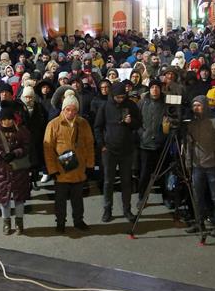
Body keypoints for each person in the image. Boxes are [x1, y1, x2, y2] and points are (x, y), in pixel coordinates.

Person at [43, 91, 95, 233]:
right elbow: (48, 149)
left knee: (78, 199)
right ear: (63, 109)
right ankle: (60, 222)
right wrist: (51, 169)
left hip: (79, 168)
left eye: (74, 110)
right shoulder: (53, 124)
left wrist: (90, 164)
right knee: (60, 200)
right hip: (61, 170)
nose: (71, 113)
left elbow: (89, 145)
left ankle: (78, 220)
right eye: (68, 109)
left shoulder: (83, 123)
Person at [94, 81, 142, 223]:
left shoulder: (131, 105)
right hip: (109, 150)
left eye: (122, 97)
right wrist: (101, 145)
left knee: (126, 182)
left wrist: (131, 121)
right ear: (112, 95)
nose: (120, 100)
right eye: (118, 97)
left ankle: (127, 210)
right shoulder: (105, 106)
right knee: (108, 181)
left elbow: (139, 123)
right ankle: (107, 209)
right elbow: (97, 127)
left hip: (126, 150)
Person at [186, 90, 215, 237]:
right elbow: (189, 145)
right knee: (197, 196)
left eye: (199, 105)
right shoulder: (192, 123)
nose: (196, 108)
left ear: (205, 105)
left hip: (212, 166)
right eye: (194, 106)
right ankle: (199, 222)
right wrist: (188, 162)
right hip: (197, 166)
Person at [0, 106, 31, 235]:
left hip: (18, 170)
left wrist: (16, 153)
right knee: (3, 198)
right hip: (2, 170)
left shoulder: (21, 131)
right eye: (4, 119)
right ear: (0, 120)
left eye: (10, 119)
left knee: (19, 197)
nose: (7, 122)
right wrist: (0, 154)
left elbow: (27, 146)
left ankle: (19, 222)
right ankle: (6, 222)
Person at [137, 79, 166, 210]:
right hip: (146, 144)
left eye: (157, 87)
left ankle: (167, 197)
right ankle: (142, 197)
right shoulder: (143, 102)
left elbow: (174, 115)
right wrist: (141, 133)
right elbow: (137, 120)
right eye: (152, 87)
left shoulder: (166, 101)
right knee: (144, 174)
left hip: (162, 143)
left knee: (163, 173)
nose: (155, 89)